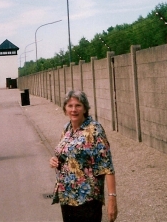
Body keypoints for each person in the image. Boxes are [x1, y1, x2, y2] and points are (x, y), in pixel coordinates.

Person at [49, 90, 118, 222]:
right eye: (70, 106)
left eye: (78, 105)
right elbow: (65, 155)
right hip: (67, 196)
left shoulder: (94, 130)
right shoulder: (67, 128)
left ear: (85, 108)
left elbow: (107, 166)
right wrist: (54, 161)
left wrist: (112, 198)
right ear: (65, 109)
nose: (74, 109)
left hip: (87, 200)